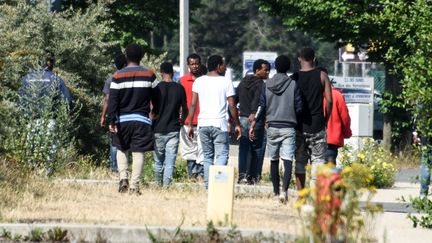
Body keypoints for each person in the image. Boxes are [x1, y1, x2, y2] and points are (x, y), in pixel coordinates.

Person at [251, 55, 302, 202]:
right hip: (289, 127)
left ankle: (275, 192)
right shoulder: (293, 84)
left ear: (275, 67)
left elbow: (262, 106)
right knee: (287, 160)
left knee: (274, 160)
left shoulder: (266, 84)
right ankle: (284, 192)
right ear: (288, 67)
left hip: (272, 126)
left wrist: (255, 122)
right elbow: (299, 107)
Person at [107, 43, 157, 195]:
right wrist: (154, 113)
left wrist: (111, 120)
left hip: (122, 120)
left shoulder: (117, 76)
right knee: (138, 152)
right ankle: (135, 186)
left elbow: (113, 100)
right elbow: (158, 97)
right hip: (142, 120)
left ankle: (123, 178)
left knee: (121, 148)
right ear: (141, 57)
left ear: (126, 56)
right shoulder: (149, 75)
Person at [187, 55, 241, 189]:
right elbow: (232, 106)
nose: (225, 67)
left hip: (203, 124)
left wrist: (189, 125)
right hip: (219, 124)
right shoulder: (226, 82)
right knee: (222, 155)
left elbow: (193, 105)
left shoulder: (199, 81)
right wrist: (237, 124)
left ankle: (208, 187)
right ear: (218, 66)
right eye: (223, 65)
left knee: (207, 157)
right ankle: (218, 185)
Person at [20, 51, 72, 171]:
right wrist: (64, 116)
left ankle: (31, 175)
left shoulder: (26, 79)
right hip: (50, 120)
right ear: (51, 63)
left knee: (30, 150)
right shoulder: (55, 79)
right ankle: (47, 175)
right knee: (49, 151)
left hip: (30, 121)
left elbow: (20, 100)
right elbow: (67, 101)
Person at [295, 47, 332, 190]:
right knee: (318, 160)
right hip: (317, 124)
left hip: (299, 125)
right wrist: (326, 118)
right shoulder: (322, 75)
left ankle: (301, 194)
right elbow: (329, 101)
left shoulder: (294, 77)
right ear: (314, 58)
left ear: (299, 59)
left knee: (300, 161)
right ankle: (316, 194)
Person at [152, 62, 188, 187]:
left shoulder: (156, 89)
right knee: (170, 160)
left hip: (158, 128)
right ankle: (167, 186)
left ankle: (157, 185)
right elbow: (185, 108)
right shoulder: (179, 88)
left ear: (161, 73)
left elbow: (152, 109)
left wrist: (152, 119)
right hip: (173, 128)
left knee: (158, 160)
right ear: (172, 72)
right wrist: (182, 121)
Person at [237, 59, 270, 184]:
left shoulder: (243, 81)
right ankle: (254, 177)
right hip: (255, 120)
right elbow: (259, 103)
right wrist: (254, 116)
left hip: (242, 118)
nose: (267, 72)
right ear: (257, 70)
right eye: (265, 70)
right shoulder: (261, 84)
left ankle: (242, 176)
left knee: (243, 149)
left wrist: (234, 119)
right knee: (257, 148)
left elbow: (234, 99)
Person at [179, 54, 205, 180]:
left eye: (197, 63)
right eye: (192, 64)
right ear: (188, 65)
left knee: (202, 150)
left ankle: (201, 173)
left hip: (203, 120)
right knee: (189, 150)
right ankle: (191, 175)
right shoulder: (182, 81)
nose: (195, 66)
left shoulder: (205, 80)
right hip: (187, 121)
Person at [100, 54, 127, 173]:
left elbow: (107, 100)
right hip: (126, 113)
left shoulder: (110, 79)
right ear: (125, 64)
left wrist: (103, 116)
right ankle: (123, 167)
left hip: (114, 114)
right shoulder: (128, 78)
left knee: (114, 141)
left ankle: (114, 167)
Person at [320, 69, 352, 163]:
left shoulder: (312, 94)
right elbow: (345, 118)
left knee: (314, 171)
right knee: (330, 172)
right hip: (331, 139)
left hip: (312, 139)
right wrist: (347, 133)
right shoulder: (337, 95)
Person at [413, 126, 432, 196]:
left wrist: (415, 135)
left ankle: (423, 195)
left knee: (425, 168)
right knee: (425, 168)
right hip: (427, 143)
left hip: (427, 143)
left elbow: (418, 121)